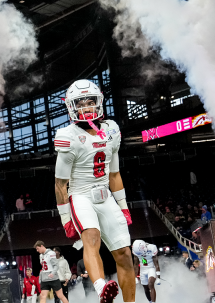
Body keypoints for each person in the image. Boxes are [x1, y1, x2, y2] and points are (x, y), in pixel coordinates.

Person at [53, 80, 135, 303]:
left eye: (91, 102)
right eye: (81, 103)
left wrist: (124, 207)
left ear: (99, 102)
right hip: (80, 195)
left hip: (105, 195)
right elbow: (60, 184)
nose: (87, 107)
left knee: (125, 255)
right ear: (72, 107)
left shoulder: (111, 130)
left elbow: (115, 174)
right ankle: (101, 288)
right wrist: (65, 218)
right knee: (91, 236)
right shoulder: (68, 136)